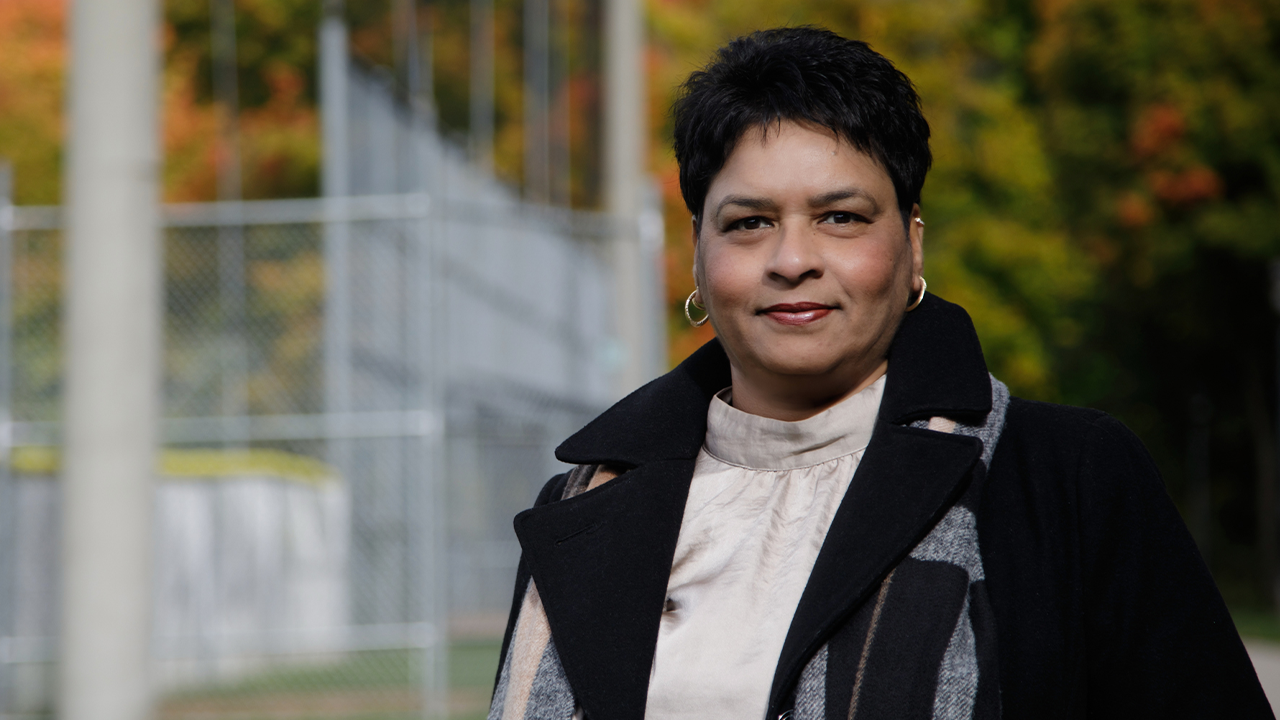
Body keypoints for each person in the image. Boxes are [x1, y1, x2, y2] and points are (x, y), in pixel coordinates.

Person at [486, 27, 1273, 720]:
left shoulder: (1065, 479)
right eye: (749, 223)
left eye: (842, 218)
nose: (793, 261)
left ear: (912, 245)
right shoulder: (586, 500)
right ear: (698, 250)